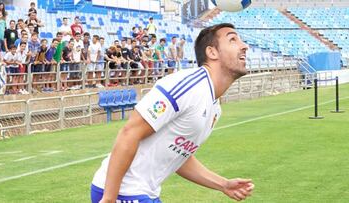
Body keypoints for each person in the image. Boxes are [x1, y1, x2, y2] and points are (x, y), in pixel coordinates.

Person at [91, 23, 254, 203]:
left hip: (144, 193)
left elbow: (178, 155)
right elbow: (129, 133)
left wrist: (223, 184)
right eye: (232, 39)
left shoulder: (214, 107)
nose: (244, 45)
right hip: (124, 192)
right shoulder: (186, 86)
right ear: (212, 52)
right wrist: (109, 198)